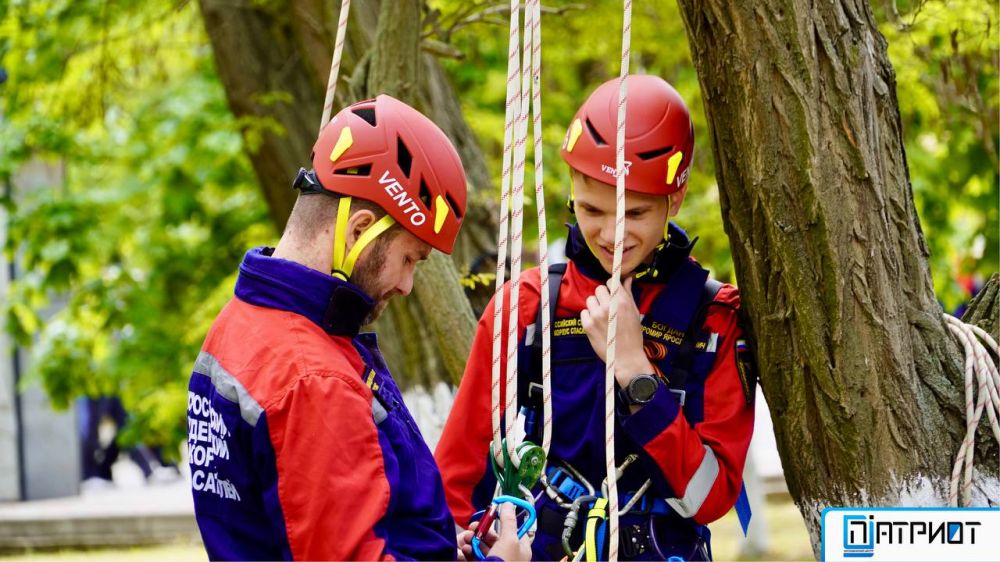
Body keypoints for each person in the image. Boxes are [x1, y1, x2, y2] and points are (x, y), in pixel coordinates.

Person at [186, 94, 531, 561]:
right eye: (409, 258)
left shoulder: (243, 322)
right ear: (358, 230)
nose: (407, 285)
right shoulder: (314, 379)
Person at [435, 75, 756, 561]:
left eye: (635, 214)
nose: (610, 235)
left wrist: (636, 373)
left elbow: (710, 498)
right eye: (591, 209)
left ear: (675, 198)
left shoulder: (713, 321)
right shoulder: (527, 307)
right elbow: (456, 479)